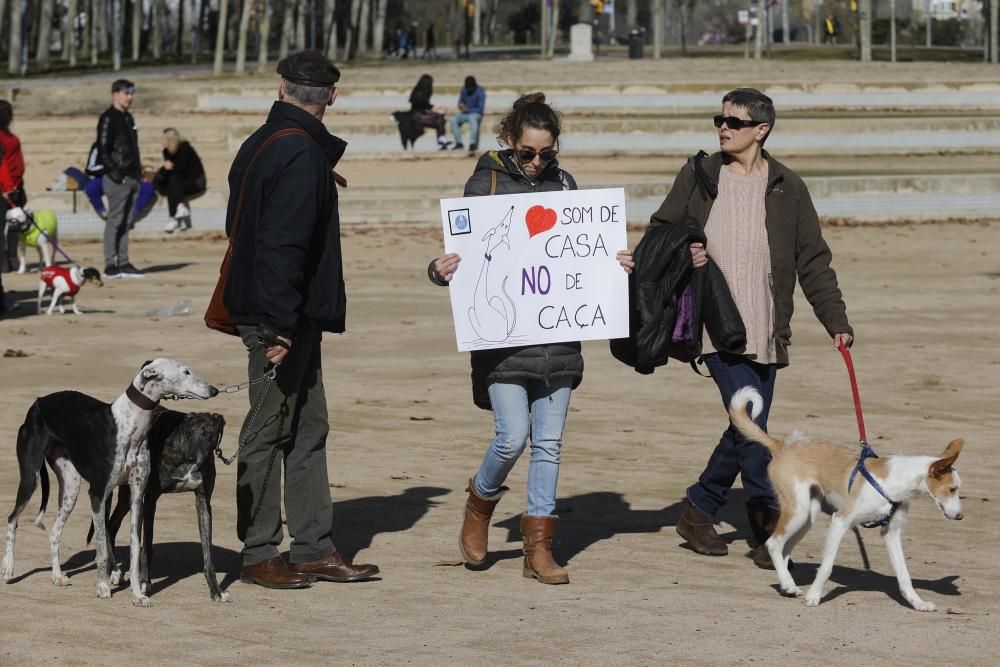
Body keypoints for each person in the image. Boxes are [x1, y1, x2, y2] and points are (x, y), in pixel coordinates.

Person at [624, 88, 853, 568]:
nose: (723, 128)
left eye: (734, 121)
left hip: (767, 328)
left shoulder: (789, 187)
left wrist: (836, 320)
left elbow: (813, 260)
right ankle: (770, 521)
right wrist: (685, 249)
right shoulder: (700, 176)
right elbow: (661, 228)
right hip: (714, 324)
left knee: (747, 425)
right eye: (720, 119)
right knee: (754, 425)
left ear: (761, 130)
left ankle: (700, 506)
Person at [428, 93, 632, 585]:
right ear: (509, 143)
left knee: (549, 444)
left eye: (547, 152)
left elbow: (581, 258)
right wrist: (439, 270)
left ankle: (538, 546)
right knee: (511, 436)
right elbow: (466, 258)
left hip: (561, 338)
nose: (538, 161)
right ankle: (480, 503)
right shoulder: (485, 185)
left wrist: (615, 265)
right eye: (528, 153)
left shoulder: (566, 186)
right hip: (502, 342)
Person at [221, 50, 379, 590]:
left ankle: (312, 546)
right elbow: (280, 247)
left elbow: (236, 226)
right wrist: (279, 327)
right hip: (278, 319)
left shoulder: (263, 146)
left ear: (282, 90)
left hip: (286, 313)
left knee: (309, 426)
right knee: (268, 429)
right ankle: (260, 551)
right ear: (331, 95)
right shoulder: (298, 156)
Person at [97, 79, 144, 279]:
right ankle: (110, 263)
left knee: (127, 221)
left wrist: (137, 173)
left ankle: (123, 261)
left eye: (132, 93)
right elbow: (103, 149)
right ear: (115, 94)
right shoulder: (108, 118)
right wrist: (117, 174)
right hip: (117, 179)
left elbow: (133, 148)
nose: (130, 97)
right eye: (126, 93)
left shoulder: (128, 118)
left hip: (132, 177)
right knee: (115, 221)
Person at [157, 128, 206, 233]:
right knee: (171, 183)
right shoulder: (166, 151)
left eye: (163, 139)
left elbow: (180, 168)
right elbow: (169, 170)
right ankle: (179, 209)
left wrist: (166, 168)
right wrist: (163, 169)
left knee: (173, 179)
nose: (161, 141)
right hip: (180, 182)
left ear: (170, 139)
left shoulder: (185, 147)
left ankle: (173, 218)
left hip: (196, 182)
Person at [0, 100, 26, 275]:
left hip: (16, 185)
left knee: (14, 225)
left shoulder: (10, 136)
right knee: (4, 225)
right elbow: (2, 165)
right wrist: (7, 188)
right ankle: (5, 259)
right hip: (6, 188)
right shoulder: (3, 138)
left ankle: (11, 257)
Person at [409, 74, 450, 150]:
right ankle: (441, 139)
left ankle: (441, 139)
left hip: (422, 113)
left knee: (440, 117)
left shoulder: (423, 93)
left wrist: (435, 108)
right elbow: (421, 105)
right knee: (439, 119)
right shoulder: (417, 93)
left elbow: (425, 105)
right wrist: (433, 109)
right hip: (416, 116)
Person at [451, 75, 485, 155]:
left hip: (476, 114)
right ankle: (459, 143)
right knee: (453, 119)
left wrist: (468, 110)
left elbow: (480, 109)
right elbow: (460, 101)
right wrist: (460, 105)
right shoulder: (463, 89)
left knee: (472, 118)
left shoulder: (480, 91)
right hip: (465, 113)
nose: (469, 90)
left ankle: (472, 144)